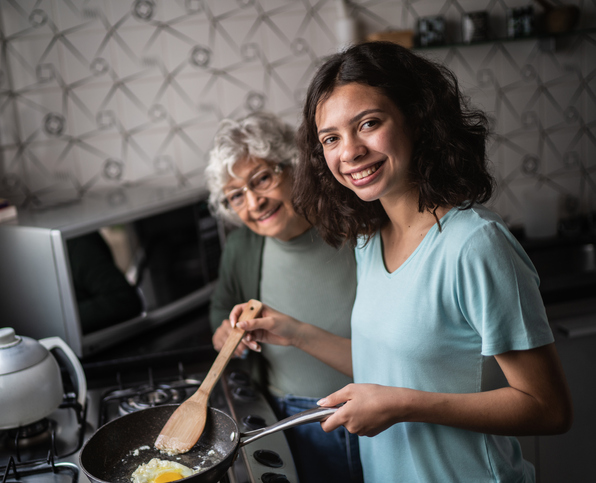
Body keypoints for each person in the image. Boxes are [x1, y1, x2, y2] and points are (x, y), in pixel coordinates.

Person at [229, 42, 573, 482]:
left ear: (418, 118)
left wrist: (405, 406)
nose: (349, 152)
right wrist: (294, 332)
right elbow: (388, 368)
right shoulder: (370, 240)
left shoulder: (475, 245)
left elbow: (548, 408)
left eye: (368, 123)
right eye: (330, 138)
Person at [205, 111, 363, 482]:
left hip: (369, 404)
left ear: (294, 166)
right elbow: (218, 307)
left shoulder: (356, 224)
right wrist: (224, 333)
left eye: (261, 179)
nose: (254, 202)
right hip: (289, 417)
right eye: (235, 196)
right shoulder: (242, 246)